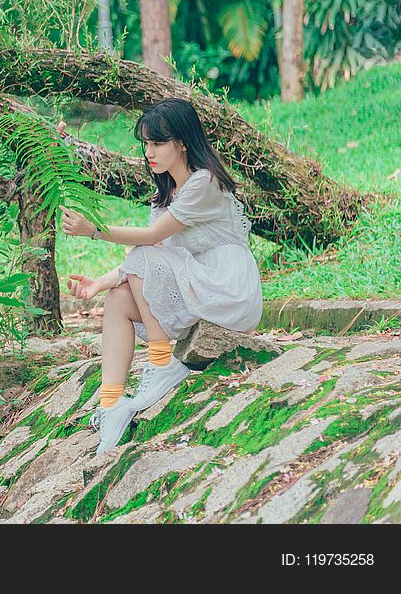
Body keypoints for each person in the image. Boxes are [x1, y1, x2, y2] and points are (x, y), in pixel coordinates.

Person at [59, 98, 263, 454]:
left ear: (182, 142)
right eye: (147, 144)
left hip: (229, 288)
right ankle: (111, 404)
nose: (149, 152)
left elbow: (151, 243)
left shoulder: (205, 183)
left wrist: (94, 230)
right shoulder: (166, 194)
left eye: (158, 143)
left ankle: (161, 361)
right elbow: (149, 258)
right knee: (118, 299)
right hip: (198, 284)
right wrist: (99, 284)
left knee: (144, 254)